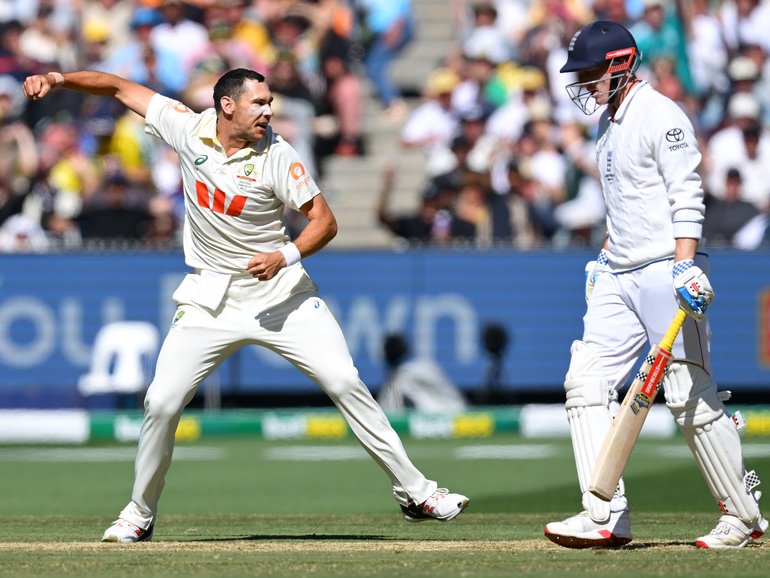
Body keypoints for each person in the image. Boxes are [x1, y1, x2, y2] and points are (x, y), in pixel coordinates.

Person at [23, 67, 469, 543]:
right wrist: (59, 78)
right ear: (227, 106)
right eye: (259, 103)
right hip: (210, 298)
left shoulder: (278, 154)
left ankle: (417, 492)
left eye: (270, 102)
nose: (269, 111)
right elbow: (117, 87)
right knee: (160, 401)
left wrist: (285, 254)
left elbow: (324, 221)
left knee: (344, 380)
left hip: (281, 295)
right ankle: (139, 513)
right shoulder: (186, 126)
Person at [544, 20, 766, 550]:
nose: (585, 84)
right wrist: (603, 257)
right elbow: (622, 205)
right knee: (586, 380)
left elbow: (686, 194)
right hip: (619, 273)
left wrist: (686, 265)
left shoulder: (662, 115)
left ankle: (743, 516)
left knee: (688, 393)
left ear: (621, 65)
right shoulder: (607, 125)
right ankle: (604, 513)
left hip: (667, 268)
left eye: (593, 73)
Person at [377, 333, 467, 413]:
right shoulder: (427, 365)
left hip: (438, 420)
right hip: (456, 413)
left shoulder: (399, 377)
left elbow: (389, 413)